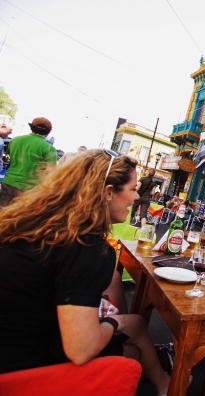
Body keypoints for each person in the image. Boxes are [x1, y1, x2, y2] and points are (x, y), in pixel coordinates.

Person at [0, 150, 169, 394]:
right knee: (132, 356)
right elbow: (80, 349)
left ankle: (165, 384)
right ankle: (166, 384)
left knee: (136, 324)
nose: (135, 198)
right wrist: (114, 321)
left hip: (19, 336)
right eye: (132, 189)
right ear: (108, 192)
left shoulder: (37, 222)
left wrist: (97, 304)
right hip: (20, 368)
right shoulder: (88, 247)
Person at [0, 117, 57, 207]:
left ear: (32, 128)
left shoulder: (15, 140)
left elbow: (6, 159)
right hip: (30, 189)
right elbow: (50, 172)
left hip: (8, 183)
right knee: (18, 218)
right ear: (48, 132)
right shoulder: (49, 149)